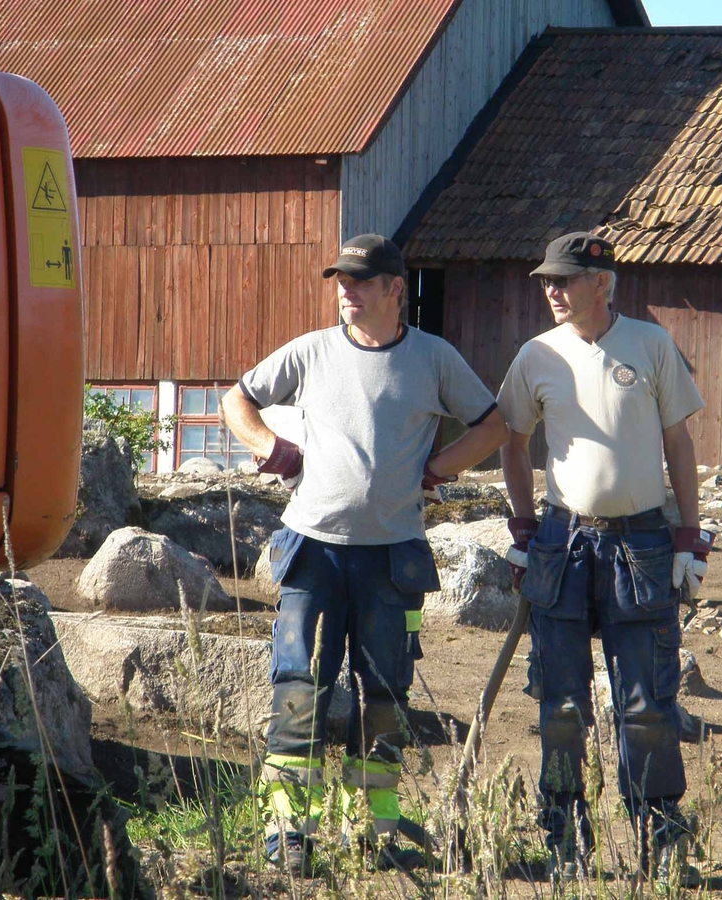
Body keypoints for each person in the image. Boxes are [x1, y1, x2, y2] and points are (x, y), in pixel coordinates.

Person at [222, 234, 508, 874]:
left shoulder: (433, 358)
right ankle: (286, 834)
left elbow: (493, 423)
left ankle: (372, 832)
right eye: (340, 281)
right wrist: (272, 446)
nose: (345, 291)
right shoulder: (312, 351)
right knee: (298, 689)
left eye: (359, 281)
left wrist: (440, 468)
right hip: (312, 550)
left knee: (384, 696)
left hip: (391, 559)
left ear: (393, 289)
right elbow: (236, 398)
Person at [497, 232, 712, 886]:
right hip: (563, 544)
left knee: (647, 703)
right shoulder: (536, 355)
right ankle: (565, 847)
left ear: (604, 283)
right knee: (561, 706)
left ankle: (663, 850)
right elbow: (512, 440)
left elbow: (678, 444)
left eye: (565, 280)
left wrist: (689, 537)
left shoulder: (650, 345)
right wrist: (522, 526)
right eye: (546, 282)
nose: (553, 292)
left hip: (643, 544)